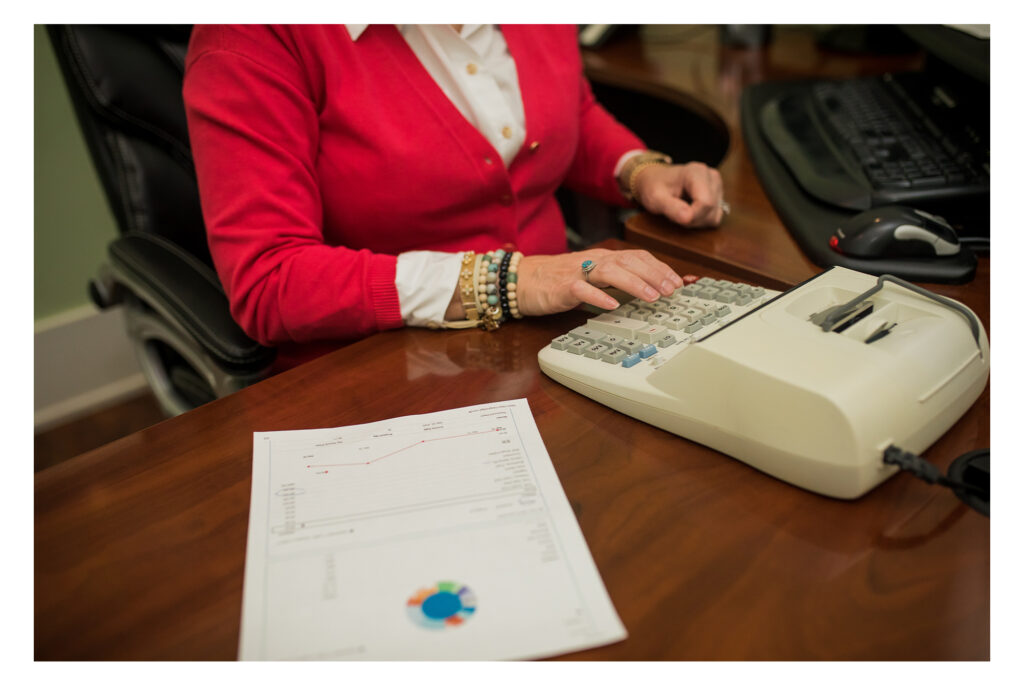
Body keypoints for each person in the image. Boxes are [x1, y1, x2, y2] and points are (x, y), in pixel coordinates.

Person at [183, 24, 726, 370]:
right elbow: (270, 279)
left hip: (564, 328)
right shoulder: (251, 37)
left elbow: (568, 112)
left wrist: (638, 170)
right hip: (386, 364)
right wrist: (510, 281)